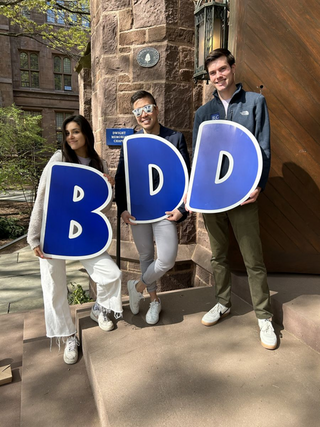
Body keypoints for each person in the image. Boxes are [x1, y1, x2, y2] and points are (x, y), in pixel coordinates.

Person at [192, 48, 277, 350]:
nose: (218, 76)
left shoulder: (255, 103)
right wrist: (197, 193)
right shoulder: (203, 113)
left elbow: (263, 149)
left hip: (243, 197)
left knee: (253, 259)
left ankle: (264, 317)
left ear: (233, 68)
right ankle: (222, 302)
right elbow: (199, 158)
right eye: (212, 73)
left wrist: (259, 186)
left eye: (222, 70)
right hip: (213, 199)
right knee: (218, 255)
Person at [27, 115, 123, 365]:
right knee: (54, 286)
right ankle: (69, 335)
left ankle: (99, 308)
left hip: (83, 234)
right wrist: (34, 236)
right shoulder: (58, 159)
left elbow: (102, 207)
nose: (71, 137)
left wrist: (109, 188)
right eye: (67, 133)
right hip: (54, 232)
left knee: (111, 273)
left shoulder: (96, 163)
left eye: (76, 131)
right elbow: (42, 197)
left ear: (86, 134)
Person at [115, 90, 190, 325]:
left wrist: (183, 209)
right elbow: (121, 178)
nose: (143, 114)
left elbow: (186, 176)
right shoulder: (131, 142)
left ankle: (136, 287)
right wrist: (123, 209)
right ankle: (154, 300)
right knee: (146, 255)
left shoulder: (175, 138)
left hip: (165, 210)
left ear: (156, 109)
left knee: (166, 259)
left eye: (147, 108)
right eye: (137, 111)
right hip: (138, 210)